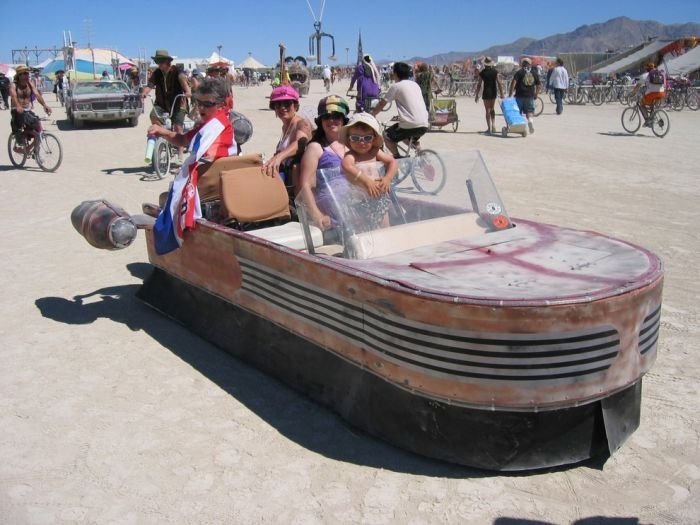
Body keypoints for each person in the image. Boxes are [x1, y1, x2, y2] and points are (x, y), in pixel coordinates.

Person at [148, 78, 238, 255]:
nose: (201, 108)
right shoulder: (207, 125)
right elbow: (183, 139)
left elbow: (209, 155)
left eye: (207, 104)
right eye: (199, 103)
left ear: (221, 105)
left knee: (169, 198)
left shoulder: (218, 126)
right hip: (213, 182)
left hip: (212, 183)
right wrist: (162, 131)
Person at [297, 95, 350, 230]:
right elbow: (305, 185)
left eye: (336, 116)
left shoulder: (353, 143)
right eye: (326, 117)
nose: (331, 120)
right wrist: (316, 215)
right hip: (332, 213)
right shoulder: (315, 148)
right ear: (321, 121)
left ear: (343, 120)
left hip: (354, 207)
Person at [339, 113, 398, 230]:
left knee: (384, 227)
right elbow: (346, 165)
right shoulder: (351, 155)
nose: (362, 142)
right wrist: (367, 181)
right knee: (364, 231)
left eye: (367, 138)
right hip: (360, 202)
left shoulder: (374, 152)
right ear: (348, 139)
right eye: (355, 138)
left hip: (379, 199)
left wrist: (387, 178)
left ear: (374, 139)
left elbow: (393, 162)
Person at [141, 49, 191, 161]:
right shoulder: (157, 73)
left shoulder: (177, 71)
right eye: (157, 61)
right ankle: (164, 137)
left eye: (160, 61)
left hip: (178, 103)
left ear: (166, 61)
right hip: (162, 103)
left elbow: (183, 80)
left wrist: (188, 91)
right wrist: (144, 93)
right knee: (153, 115)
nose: (158, 64)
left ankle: (180, 153)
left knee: (178, 126)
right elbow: (150, 85)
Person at [371, 62, 429, 157]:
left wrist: (372, 114)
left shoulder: (396, 87)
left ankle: (397, 158)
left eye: (392, 72)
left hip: (410, 124)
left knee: (386, 135)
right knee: (403, 134)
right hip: (424, 123)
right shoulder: (415, 85)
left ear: (396, 74)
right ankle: (419, 151)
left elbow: (382, 103)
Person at [262, 85, 312, 186]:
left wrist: (280, 157)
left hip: (298, 179)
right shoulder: (285, 126)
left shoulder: (302, 123)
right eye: (278, 104)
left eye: (287, 104)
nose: (282, 108)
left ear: (296, 106)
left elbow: (300, 143)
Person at [9, 65, 52, 144]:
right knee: (20, 129)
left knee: (37, 126)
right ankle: (20, 141)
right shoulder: (14, 85)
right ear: (19, 75)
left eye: (27, 73)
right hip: (17, 110)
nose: (27, 75)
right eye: (25, 73)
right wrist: (18, 106)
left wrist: (44, 105)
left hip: (27, 110)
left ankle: (31, 149)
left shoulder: (30, 83)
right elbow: (13, 96)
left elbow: (37, 95)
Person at [508, 57, 540, 134]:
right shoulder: (534, 73)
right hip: (530, 95)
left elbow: (514, 83)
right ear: (530, 64)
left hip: (519, 95)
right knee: (529, 111)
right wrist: (536, 94)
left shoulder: (519, 72)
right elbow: (539, 85)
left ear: (522, 64)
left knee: (518, 112)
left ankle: (520, 128)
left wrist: (510, 93)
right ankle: (530, 121)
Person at [474, 57, 504, 134]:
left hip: (486, 92)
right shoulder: (495, 72)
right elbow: (499, 83)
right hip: (493, 92)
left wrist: (477, 95)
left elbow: (479, 85)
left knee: (487, 110)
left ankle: (489, 128)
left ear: (485, 64)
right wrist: (502, 94)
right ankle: (494, 124)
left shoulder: (482, 73)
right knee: (492, 109)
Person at [631, 61, 666, 126]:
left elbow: (637, 84)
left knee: (641, 104)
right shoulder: (660, 73)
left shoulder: (645, 75)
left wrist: (632, 94)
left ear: (646, 68)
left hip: (652, 94)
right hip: (661, 93)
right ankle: (652, 118)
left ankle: (647, 120)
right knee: (652, 105)